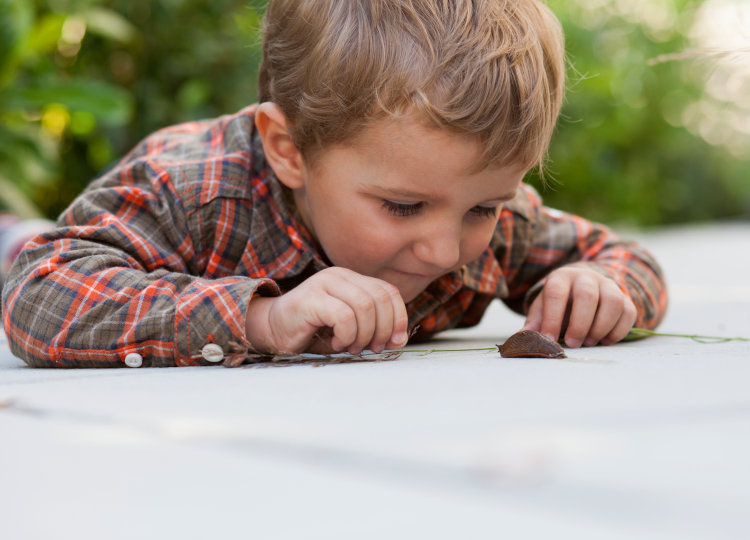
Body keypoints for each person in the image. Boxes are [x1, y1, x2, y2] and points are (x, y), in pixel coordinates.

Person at [1, 0, 667, 368]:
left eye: (483, 208)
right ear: (289, 150)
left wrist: (601, 290)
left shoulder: (490, 226)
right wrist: (260, 318)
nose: (443, 249)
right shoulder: (193, 193)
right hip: (93, 247)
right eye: (403, 206)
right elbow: (39, 293)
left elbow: (628, 260)